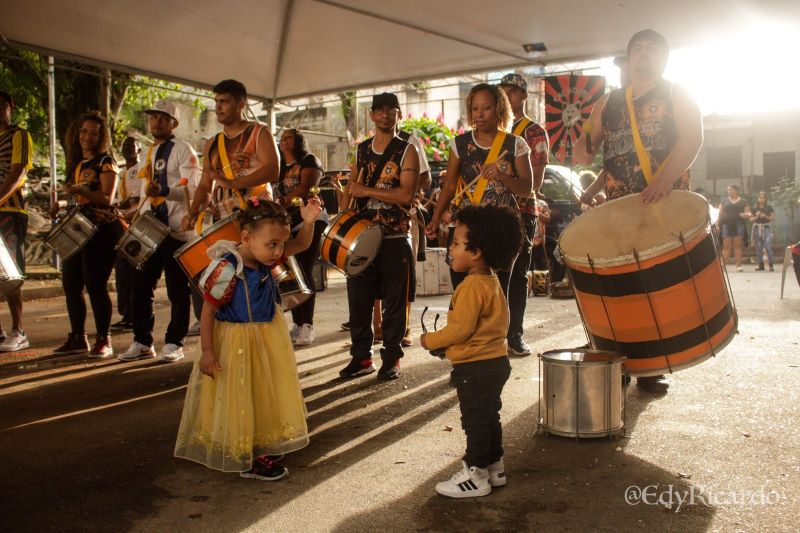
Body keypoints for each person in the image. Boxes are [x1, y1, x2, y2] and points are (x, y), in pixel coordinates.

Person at [573, 29, 703, 392]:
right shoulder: (607, 103)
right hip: (619, 210)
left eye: (652, 49)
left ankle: (653, 366)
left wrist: (664, 181)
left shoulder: (677, 92)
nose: (643, 55)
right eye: (637, 50)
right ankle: (623, 358)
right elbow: (585, 152)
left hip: (666, 203)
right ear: (629, 59)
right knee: (623, 286)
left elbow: (693, 137)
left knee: (657, 284)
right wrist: (580, 137)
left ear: (663, 57)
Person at [174, 197, 320, 480]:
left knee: (265, 390)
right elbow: (208, 310)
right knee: (242, 392)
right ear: (245, 237)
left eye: (281, 243)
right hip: (237, 341)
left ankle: (261, 444)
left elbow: (301, 245)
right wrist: (207, 350)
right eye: (272, 244)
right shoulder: (228, 267)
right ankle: (250, 455)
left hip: (267, 335)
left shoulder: (265, 254)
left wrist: (310, 222)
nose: (278, 252)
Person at [420, 204, 523, 498]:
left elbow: (461, 330)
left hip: (475, 369)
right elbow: (480, 329)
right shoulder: (491, 282)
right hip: (495, 363)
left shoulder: (470, 287)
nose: (451, 248)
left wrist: (432, 340)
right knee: (489, 416)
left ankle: (475, 475)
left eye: (455, 243)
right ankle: (495, 467)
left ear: (475, 251)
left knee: (475, 421)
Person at [338, 92, 420, 381]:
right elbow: (352, 186)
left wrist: (367, 191)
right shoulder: (361, 151)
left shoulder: (407, 150)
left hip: (395, 235)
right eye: (379, 110)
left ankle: (392, 358)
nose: (385, 115)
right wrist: (342, 214)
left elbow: (407, 195)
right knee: (358, 299)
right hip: (361, 235)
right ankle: (361, 358)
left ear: (399, 114)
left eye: (391, 110)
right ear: (372, 115)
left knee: (394, 303)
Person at [425, 83, 533, 298]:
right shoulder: (459, 144)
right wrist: (435, 219)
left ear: (499, 109)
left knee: (498, 294)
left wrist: (502, 176)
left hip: (501, 230)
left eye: (486, 108)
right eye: (475, 108)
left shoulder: (515, 144)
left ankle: (496, 332)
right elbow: (448, 186)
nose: (480, 114)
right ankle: (465, 331)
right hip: (466, 229)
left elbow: (526, 189)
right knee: (463, 293)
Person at [117, 101, 201, 363]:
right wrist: (134, 214)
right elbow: (145, 191)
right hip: (150, 229)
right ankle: (142, 341)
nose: (157, 122)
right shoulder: (149, 153)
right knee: (140, 287)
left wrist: (164, 192)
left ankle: (175, 342)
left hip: (176, 230)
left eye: (163, 118)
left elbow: (195, 189)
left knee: (177, 290)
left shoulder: (183, 150)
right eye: (153, 117)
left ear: (173, 123)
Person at [52, 112, 125, 357]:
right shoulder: (76, 164)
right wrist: (62, 204)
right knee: (71, 283)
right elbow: (80, 199)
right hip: (79, 227)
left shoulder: (106, 161)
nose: (87, 137)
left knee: (95, 284)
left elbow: (108, 198)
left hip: (102, 229)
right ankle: (77, 337)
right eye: (84, 131)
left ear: (101, 136)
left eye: (93, 133)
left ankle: (104, 339)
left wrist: (76, 190)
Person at [184, 79, 279, 231]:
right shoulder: (212, 144)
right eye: (216, 101)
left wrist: (233, 184)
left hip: (259, 218)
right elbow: (205, 185)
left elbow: (273, 170)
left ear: (241, 104)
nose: (218, 107)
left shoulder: (259, 132)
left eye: (224, 101)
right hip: (225, 221)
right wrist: (194, 210)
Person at [499, 73, 549, 356]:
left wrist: (507, 176)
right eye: (503, 90)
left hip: (521, 210)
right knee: (488, 274)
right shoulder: (491, 128)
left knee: (517, 274)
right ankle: (490, 336)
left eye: (512, 90)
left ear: (524, 96)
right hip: (491, 212)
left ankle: (514, 334)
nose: (507, 95)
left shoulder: (533, 131)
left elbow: (537, 182)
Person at [274, 128, 327, 346]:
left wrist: (284, 201)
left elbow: (305, 188)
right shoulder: (278, 167)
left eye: (288, 137)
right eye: (282, 137)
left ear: (297, 141)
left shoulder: (309, 160)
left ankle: (308, 324)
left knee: (304, 268)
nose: (283, 140)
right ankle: (297, 323)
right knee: (290, 273)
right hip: (288, 222)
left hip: (310, 219)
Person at [0, 91, 33, 352]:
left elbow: (19, 173)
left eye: (2, 106)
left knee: (11, 274)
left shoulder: (18, 134)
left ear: (10, 108)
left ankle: (18, 330)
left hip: (10, 211)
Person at [110, 136, 141, 332]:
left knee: (132, 273)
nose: (129, 148)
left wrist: (123, 210)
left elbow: (136, 200)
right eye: (125, 145)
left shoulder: (140, 171)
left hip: (137, 226)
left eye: (133, 145)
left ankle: (134, 316)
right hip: (123, 226)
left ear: (139, 149)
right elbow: (123, 200)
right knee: (121, 272)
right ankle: (126, 315)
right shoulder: (122, 172)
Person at [716, 185, 750, 272]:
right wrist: (717, 224)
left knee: (737, 246)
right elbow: (719, 213)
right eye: (728, 190)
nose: (728, 192)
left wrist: (745, 215)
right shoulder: (724, 201)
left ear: (736, 190)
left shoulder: (743, 201)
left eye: (730, 190)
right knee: (726, 246)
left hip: (738, 225)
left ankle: (738, 265)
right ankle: (722, 266)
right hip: (726, 225)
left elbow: (748, 213)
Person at [749, 190, 775, 271]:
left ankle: (771, 265)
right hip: (757, 228)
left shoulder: (769, 207)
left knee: (768, 246)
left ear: (766, 199)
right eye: (760, 198)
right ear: (757, 198)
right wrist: (756, 217)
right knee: (758, 247)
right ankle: (761, 265)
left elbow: (773, 218)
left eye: (763, 198)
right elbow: (751, 220)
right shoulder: (754, 208)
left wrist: (765, 216)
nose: (761, 199)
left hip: (766, 228)